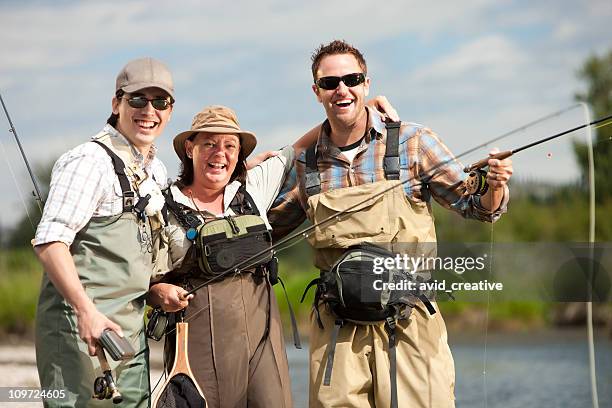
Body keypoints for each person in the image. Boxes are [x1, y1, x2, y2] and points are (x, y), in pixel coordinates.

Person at [268, 40, 513, 408]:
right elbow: (266, 231)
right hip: (338, 333)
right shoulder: (305, 163)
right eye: (330, 82)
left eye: (352, 79)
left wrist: (494, 186)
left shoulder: (415, 142)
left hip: (410, 321)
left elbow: (477, 207)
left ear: (366, 85)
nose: (342, 89)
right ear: (316, 91)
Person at [148, 99, 397, 408]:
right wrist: (160, 292)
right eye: (209, 143)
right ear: (189, 148)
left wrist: (360, 110)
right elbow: (145, 282)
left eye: (230, 146)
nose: (219, 154)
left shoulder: (254, 185)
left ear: (239, 154)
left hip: (263, 337)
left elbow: (299, 146)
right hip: (198, 339)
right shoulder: (161, 206)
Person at [33, 57, 177, 407]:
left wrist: (156, 288)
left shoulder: (156, 170)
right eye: (138, 100)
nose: (149, 111)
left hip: (130, 337)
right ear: (116, 104)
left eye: (160, 102)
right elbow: (50, 241)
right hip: (79, 335)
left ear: (170, 110)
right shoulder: (87, 161)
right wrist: (86, 311)